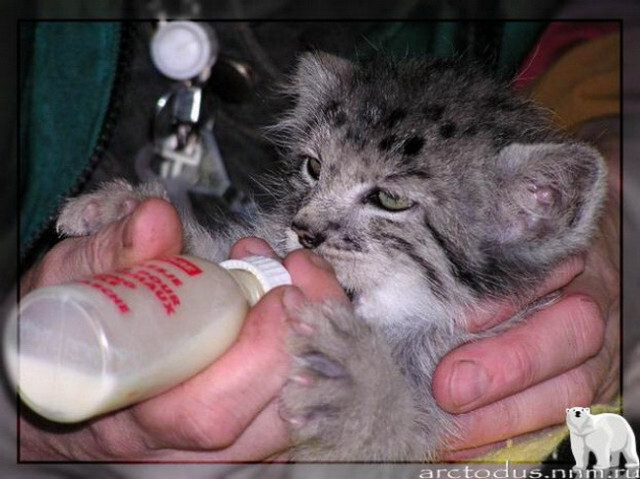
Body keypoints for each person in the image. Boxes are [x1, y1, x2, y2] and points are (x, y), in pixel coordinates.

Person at [7, 15, 622, 472]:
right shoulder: (289, 240)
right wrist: (151, 234)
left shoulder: (468, 337)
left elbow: (398, 443)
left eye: (388, 199)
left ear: (527, 221)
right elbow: (225, 270)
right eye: (313, 169)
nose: (307, 222)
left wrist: (630, 199)